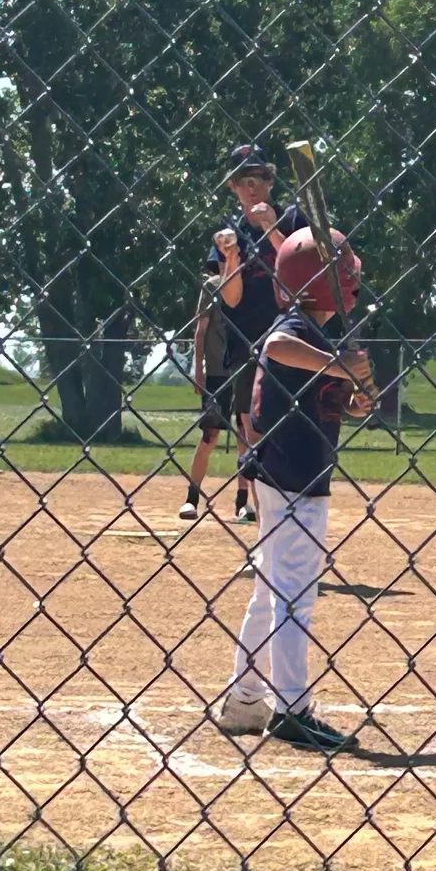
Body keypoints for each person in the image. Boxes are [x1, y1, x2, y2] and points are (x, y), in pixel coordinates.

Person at [214, 226, 375, 753]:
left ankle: (244, 699)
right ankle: (292, 709)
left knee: (272, 587)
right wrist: (337, 365)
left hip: (290, 471)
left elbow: (324, 398)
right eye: (346, 267)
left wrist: (353, 398)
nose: (355, 274)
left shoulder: (322, 334)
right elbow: (277, 346)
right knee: (294, 594)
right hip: (293, 475)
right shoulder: (296, 326)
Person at [181, 144, 303, 524]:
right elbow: (231, 299)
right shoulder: (229, 233)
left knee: (291, 429)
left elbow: (301, 275)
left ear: (270, 182)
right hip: (247, 345)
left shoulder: (293, 220)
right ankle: (267, 517)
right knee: (252, 433)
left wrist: (270, 228)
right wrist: (230, 258)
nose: (252, 189)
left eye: (259, 179)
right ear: (233, 188)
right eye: (242, 182)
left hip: (292, 338)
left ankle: (289, 510)